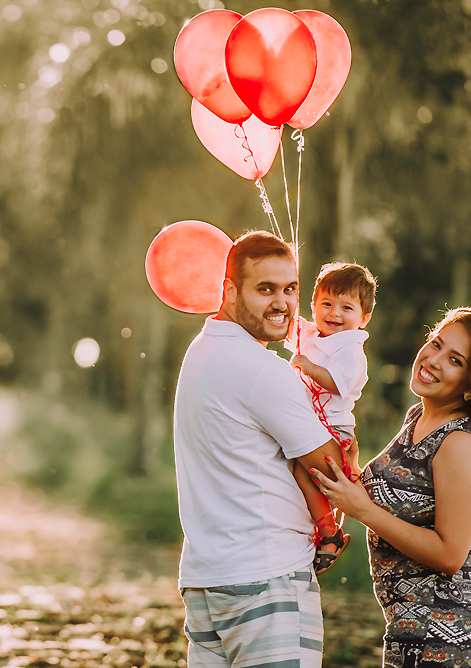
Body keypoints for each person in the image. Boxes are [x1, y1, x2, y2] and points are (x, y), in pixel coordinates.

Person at [311, 308, 471, 668]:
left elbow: (451, 555)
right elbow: (403, 501)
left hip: (451, 627)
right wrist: (354, 474)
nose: (432, 360)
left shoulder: (458, 442)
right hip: (412, 623)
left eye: (455, 360)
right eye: (436, 343)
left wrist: (361, 509)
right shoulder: (420, 415)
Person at [173, 230, 346, 668]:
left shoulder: (201, 351)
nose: (283, 303)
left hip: (208, 578)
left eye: (290, 289)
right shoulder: (259, 369)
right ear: (229, 291)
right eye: (265, 289)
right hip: (265, 577)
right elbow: (331, 466)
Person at [285, 262, 378, 574]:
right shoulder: (312, 334)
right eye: (326, 303)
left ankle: (329, 533)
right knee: (302, 475)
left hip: (333, 429)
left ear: (364, 318)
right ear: (314, 306)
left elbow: (336, 383)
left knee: (316, 476)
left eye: (346, 307)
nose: (334, 313)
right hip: (310, 425)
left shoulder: (351, 350)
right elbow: (287, 324)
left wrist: (309, 368)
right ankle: (324, 527)